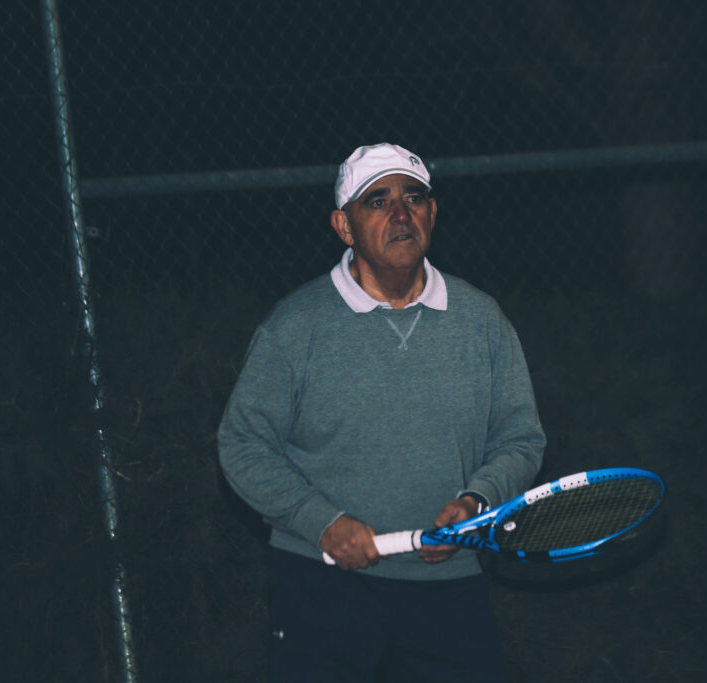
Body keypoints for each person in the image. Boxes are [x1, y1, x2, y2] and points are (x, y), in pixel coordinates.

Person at [218, 142, 545, 682]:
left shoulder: (481, 320)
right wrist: (321, 522)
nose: (400, 214)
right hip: (321, 585)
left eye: (413, 197)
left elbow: (520, 438)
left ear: (432, 213)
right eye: (376, 201)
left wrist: (477, 502)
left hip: (449, 588)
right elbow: (242, 444)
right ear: (343, 226)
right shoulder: (294, 328)